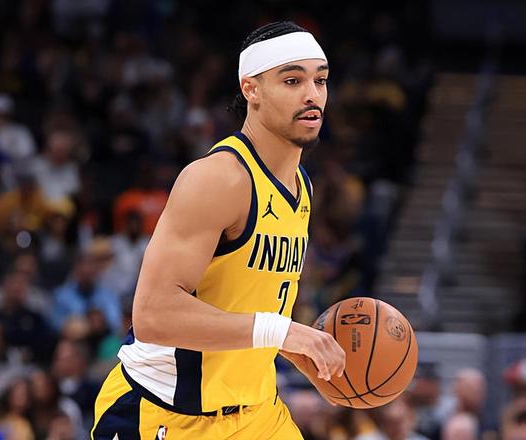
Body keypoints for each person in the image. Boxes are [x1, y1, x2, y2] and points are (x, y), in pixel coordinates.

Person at [91, 21, 345, 439]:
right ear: (251, 89)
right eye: (292, 80)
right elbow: (153, 313)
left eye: (320, 80)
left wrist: (295, 350)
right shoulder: (217, 179)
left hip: (257, 414)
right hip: (168, 414)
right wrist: (284, 332)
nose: (312, 94)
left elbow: (246, 303)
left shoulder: (301, 186)